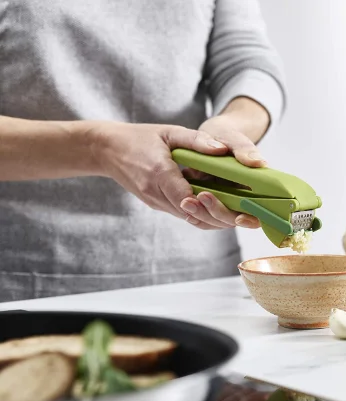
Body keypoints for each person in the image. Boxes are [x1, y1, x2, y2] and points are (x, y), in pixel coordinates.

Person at [0, 0, 286, 301]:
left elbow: (247, 61)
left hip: (198, 279)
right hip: (30, 284)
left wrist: (233, 126)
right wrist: (98, 147)